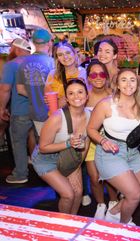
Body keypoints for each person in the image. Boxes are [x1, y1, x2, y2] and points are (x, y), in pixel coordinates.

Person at [87, 68, 140, 224]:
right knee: (134, 195)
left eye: (132, 80)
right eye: (123, 79)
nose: (128, 84)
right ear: (117, 84)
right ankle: (124, 225)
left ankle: (113, 213)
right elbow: (90, 129)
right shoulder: (106, 105)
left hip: (132, 151)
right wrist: (103, 141)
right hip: (110, 153)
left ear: (138, 84)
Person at [32, 79, 90, 214]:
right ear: (67, 99)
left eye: (80, 92)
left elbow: (86, 141)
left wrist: (78, 165)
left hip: (69, 157)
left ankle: (73, 221)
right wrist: (68, 143)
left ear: (87, 96)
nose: (76, 96)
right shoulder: (57, 118)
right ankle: (62, 224)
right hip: (45, 159)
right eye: (71, 93)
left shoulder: (90, 114)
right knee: (68, 194)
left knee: (78, 192)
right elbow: (43, 147)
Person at [83, 60, 118, 220]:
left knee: (110, 176)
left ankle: (113, 202)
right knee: (95, 177)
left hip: (111, 141)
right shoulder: (84, 96)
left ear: (106, 76)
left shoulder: (113, 94)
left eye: (102, 74)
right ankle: (100, 204)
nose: (98, 77)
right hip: (91, 142)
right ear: (88, 77)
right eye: (93, 74)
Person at [0, 38, 32, 184]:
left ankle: (20, 174)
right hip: (39, 109)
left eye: (11, 49)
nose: (9, 51)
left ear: (17, 49)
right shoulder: (36, 63)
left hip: (20, 110)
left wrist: (2, 108)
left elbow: (5, 89)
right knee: (39, 141)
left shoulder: (11, 65)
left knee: (18, 142)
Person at [16, 28, 55, 136]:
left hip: (35, 112)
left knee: (42, 141)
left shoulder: (23, 63)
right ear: (49, 43)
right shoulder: (52, 63)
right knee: (52, 145)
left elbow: (20, 90)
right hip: (53, 111)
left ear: (33, 42)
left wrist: (35, 95)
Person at [45, 42, 87, 109]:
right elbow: (49, 102)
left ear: (74, 53)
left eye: (68, 52)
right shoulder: (52, 74)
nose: (65, 57)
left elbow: (88, 97)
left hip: (78, 116)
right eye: (60, 54)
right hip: (58, 116)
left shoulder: (84, 73)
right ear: (57, 58)